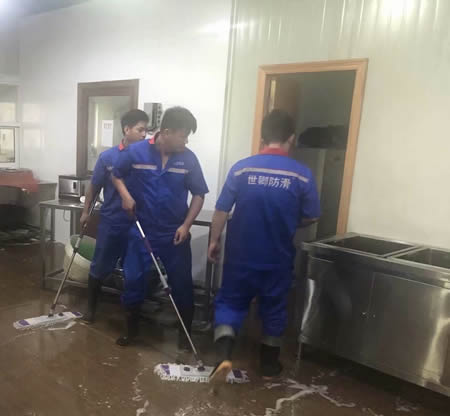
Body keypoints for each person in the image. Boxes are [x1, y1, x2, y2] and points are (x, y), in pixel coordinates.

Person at [208, 109, 321, 382]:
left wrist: (214, 240)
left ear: (262, 137)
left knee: (230, 302)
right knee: (274, 307)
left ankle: (224, 356)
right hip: (277, 256)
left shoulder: (242, 168)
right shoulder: (302, 175)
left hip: (240, 254)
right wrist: (289, 221)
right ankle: (269, 364)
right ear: (291, 138)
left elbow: (221, 210)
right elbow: (313, 216)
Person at [111, 107, 209, 349]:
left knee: (182, 285)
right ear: (166, 132)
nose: (186, 142)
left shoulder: (188, 159)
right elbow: (116, 174)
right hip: (141, 231)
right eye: (183, 136)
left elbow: (199, 194)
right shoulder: (136, 151)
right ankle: (131, 332)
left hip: (174, 233)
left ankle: (185, 338)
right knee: (134, 280)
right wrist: (125, 196)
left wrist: (186, 225)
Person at [81, 109, 149, 322]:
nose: (144, 134)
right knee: (100, 265)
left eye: (146, 130)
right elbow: (94, 187)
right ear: (127, 129)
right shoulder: (108, 157)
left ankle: (132, 317)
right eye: (140, 130)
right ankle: (91, 309)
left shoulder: (148, 157)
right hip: (112, 221)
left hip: (138, 223)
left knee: (135, 270)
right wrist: (85, 212)